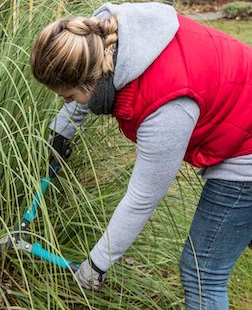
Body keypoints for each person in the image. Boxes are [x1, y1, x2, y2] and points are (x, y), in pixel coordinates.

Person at [30, 2, 252, 309]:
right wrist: (60, 133)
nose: (68, 102)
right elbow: (86, 80)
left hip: (245, 152)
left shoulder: (167, 106)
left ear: (92, 81)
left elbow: (141, 199)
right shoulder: (101, 35)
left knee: (203, 272)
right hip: (241, 110)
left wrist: (96, 264)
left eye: (69, 96)